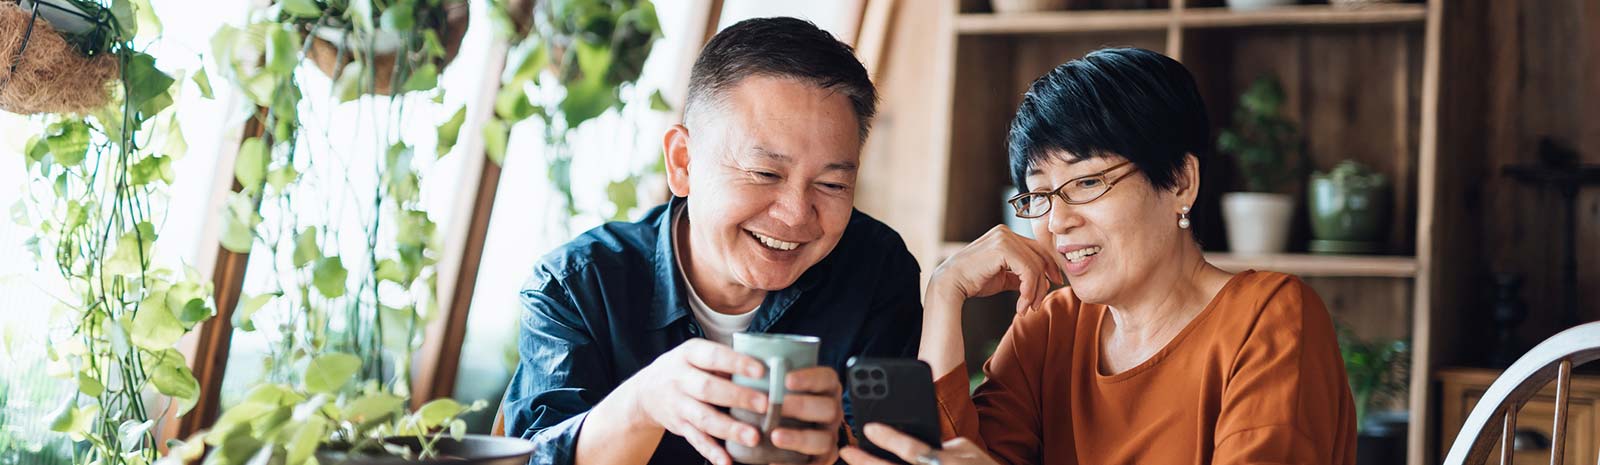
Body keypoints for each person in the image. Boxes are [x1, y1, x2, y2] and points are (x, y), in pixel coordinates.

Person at [840, 48, 1357, 465]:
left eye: (1087, 182)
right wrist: (944, 292)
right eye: (1039, 194)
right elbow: (950, 454)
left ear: (1180, 181)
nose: (1056, 220)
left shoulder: (1269, 318)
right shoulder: (1048, 329)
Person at [502, 17, 923, 465]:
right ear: (683, 163)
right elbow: (535, 455)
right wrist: (643, 403)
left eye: (832, 185)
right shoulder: (577, 286)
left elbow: (895, 452)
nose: (797, 214)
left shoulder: (877, 270)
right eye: (765, 173)